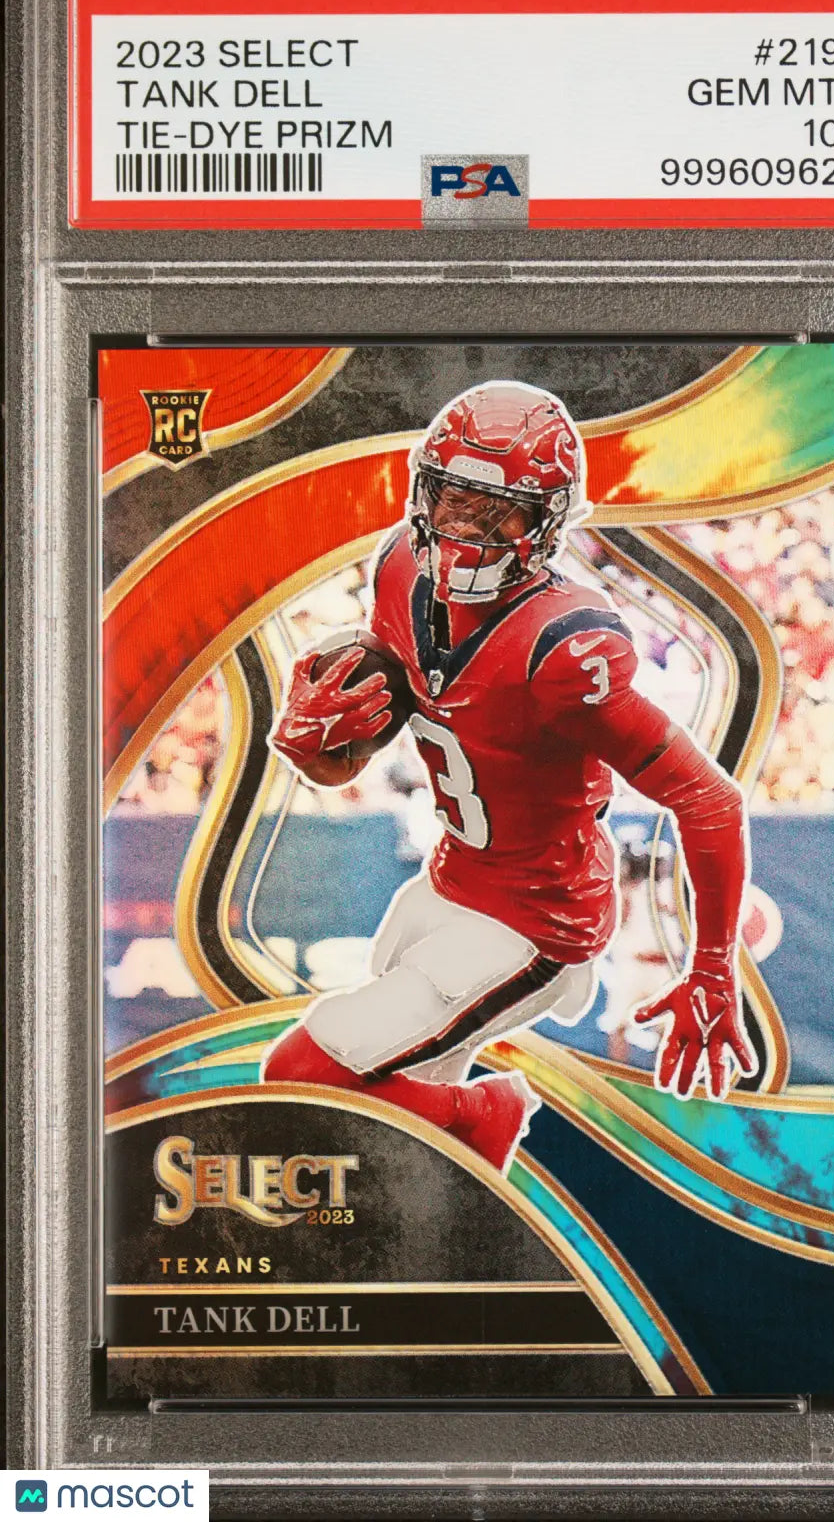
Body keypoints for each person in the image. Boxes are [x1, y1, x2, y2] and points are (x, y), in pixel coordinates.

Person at [263, 381, 757, 1170]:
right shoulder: (398, 567)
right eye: (454, 501)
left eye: (499, 514)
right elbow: (364, 741)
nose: (465, 531)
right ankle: (464, 1194)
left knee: (303, 1073)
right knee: (399, 1126)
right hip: (449, 882)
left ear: (548, 524)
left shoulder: (564, 647)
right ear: (423, 492)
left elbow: (707, 796)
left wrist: (711, 967)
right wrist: (312, 746)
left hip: (535, 919)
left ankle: (488, 1113)